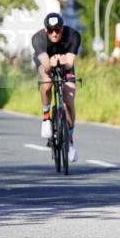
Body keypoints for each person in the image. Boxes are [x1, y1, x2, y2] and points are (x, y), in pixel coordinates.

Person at [32, 12, 81, 162]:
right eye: (50, 30)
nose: (54, 33)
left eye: (57, 30)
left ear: (62, 28)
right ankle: (46, 116)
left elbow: (70, 63)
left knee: (69, 100)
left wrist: (64, 62)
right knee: (47, 83)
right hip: (45, 64)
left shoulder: (73, 35)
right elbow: (45, 66)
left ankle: (70, 139)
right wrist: (51, 63)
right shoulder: (38, 38)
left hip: (65, 66)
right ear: (46, 30)